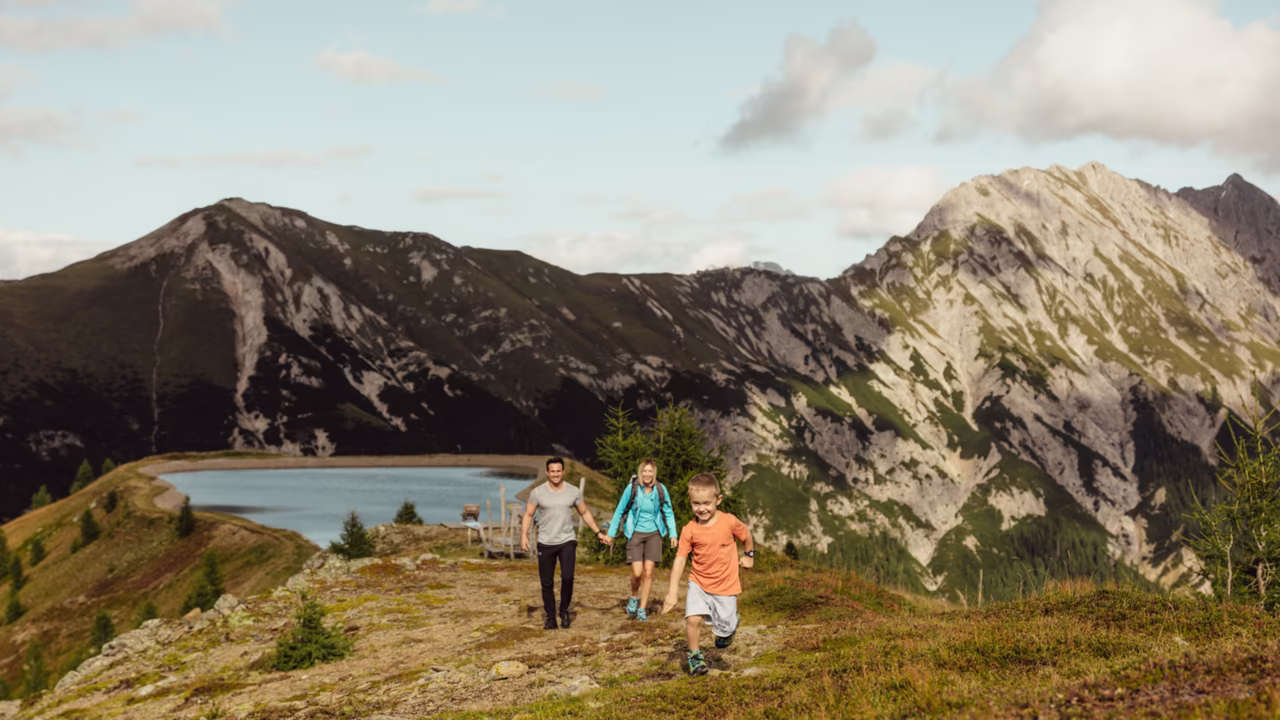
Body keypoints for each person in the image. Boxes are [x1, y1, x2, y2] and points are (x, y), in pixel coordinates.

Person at [662, 472, 754, 677]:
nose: (701, 508)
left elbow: (746, 535)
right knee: (693, 619)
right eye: (696, 503)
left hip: (726, 585)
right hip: (699, 582)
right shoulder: (689, 530)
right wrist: (672, 591)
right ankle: (695, 657)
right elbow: (680, 559)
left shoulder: (728, 521)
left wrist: (749, 555)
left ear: (718, 500)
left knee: (724, 633)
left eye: (706, 503)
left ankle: (729, 626)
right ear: (690, 502)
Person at [521, 456, 608, 630]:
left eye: (558, 471)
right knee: (546, 582)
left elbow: (584, 513)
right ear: (547, 472)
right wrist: (524, 535)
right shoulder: (537, 492)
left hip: (567, 541)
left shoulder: (573, 491)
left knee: (568, 577)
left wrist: (598, 532)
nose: (555, 474)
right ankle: (551, 617)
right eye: (552, 471)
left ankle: (564, 610)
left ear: (563, 472)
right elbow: (529, 514)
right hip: (545, 542)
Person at [602, 458, 678, 621]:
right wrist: (611, 534)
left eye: (650, 471)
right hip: (635, 533)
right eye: (644, 471)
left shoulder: (660, 489)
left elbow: (669, 512)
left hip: (654, 534)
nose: (647, 474)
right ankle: (634, 597)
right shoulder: (632, 489)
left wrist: (673, 534)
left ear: (654, 473)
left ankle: (642, 609)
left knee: (649, 572)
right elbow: (619, 511)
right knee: (637, 573)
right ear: (640, 472)